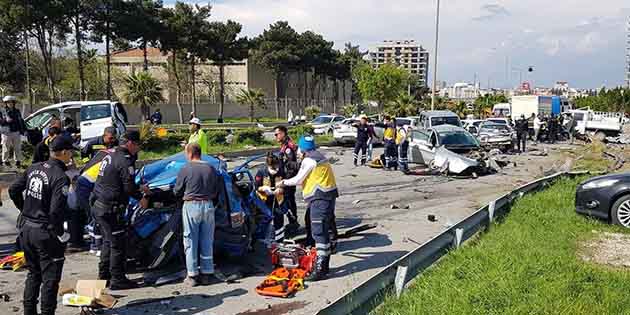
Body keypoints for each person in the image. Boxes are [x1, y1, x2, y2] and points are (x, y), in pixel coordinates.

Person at [9, 136, 74, 315]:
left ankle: (29, 311)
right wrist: (62, 234)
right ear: (64, 152)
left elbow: (13, 190)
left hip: (27, 230)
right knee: (50, 279)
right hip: (45, 233)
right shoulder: (60, 177)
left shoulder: (34, 167)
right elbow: (55, 212)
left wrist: (25, 210)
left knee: (33, 274)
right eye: (71, 152)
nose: (72, 156)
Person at [91, 131, 147, 290]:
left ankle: (104, 276)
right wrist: (141, 196)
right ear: (130, 143)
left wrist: (138, 188)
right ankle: (117, 279)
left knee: (108, 242)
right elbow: (128, 188)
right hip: (110, 208)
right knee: (117, 244)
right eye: (137, 145)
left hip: (99, 204)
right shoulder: (125, 160)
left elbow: (118, 181)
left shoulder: (111, 154)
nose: (138, 149)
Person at [279, 135, 338, 281]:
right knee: (321, 228)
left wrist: (283, 182)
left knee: (319, 231)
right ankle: (323, 264)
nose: (297, 151)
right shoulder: (319, 156)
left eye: (299, 148)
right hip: (328, 197)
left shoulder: (309, 159)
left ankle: (321, 269)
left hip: (320, 198)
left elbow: (299, 180)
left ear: (303, 148)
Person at [174, 143, 221, 286]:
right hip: (208, 206)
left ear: (190, 153)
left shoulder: (186, 168)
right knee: (207, 241)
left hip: (191, 206)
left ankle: (192, 275)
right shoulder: (210, 168)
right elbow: (217, 189)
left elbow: (177, 190)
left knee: (190, 241)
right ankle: (207, 273)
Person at [255, 153, 286, 244]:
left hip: (278, 200)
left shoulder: (281, 171)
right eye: (273, 168)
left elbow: (286, 184)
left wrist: (281, 189)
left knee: (279, 219)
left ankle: (279, 240)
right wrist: (263, 189)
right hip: (264, 200)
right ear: (268, 165)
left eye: (276, 167)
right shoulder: (261, 172)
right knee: (264, 219)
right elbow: (256, 186)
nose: (275, 169)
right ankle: (262, 239)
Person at [273, 125, 300, 233]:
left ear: (283, 133)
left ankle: (293, 223)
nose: (276, 136)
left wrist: (285, 181)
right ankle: (293, 222)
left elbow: (291, 165)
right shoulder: (285, 145)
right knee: (287, 201)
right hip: (286, 179)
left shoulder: (288, 147)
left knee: (288, 201)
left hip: (288, 179)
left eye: (277, 134)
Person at [1, 95, 25, 168]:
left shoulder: (17, 111)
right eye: (8, 102)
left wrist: (23, 130)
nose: (10, 103)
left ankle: (18, 161)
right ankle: (5, 161)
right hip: (6, 132)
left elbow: (20, 121)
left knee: (17, 147)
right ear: (5, 103)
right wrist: (5, 120)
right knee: (6, 147)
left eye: (11, 102)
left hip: (16, 131)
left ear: (14, 103)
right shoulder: (2, 111)